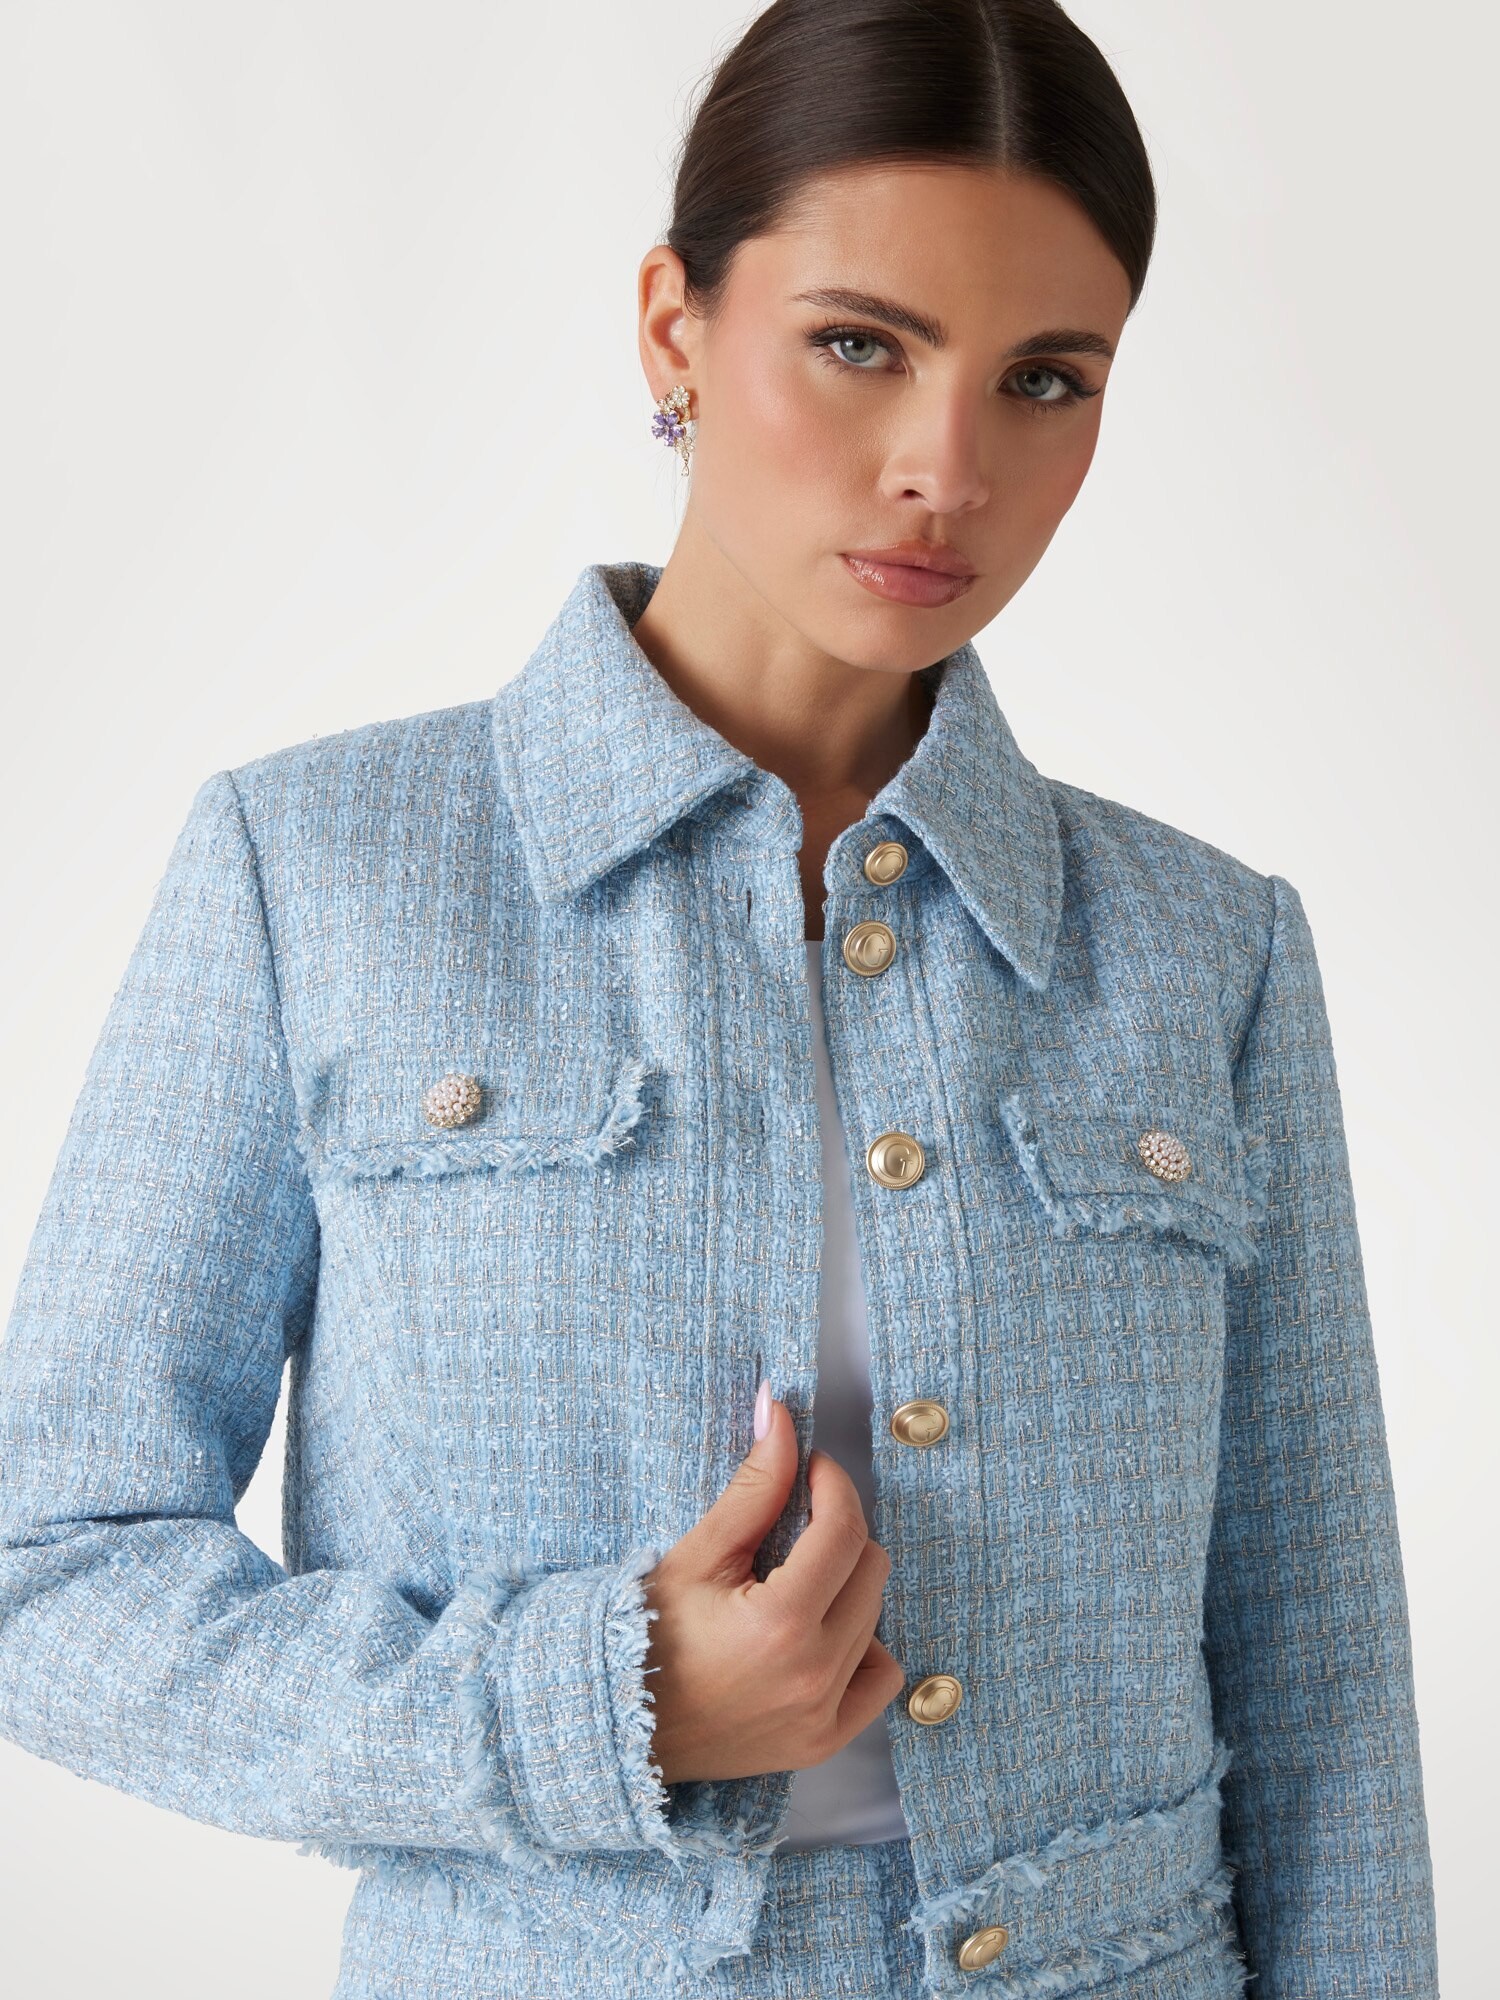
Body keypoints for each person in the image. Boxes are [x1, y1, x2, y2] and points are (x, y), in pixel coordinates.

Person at [0, 2, 1439, 1996]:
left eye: (1044, 379)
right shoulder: (316, 872)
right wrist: (596, 1702)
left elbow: (1320, 1681)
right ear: (674, 328)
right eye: (861, 344)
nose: (946, 468)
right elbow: (51, 1571)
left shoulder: (1208, 948)